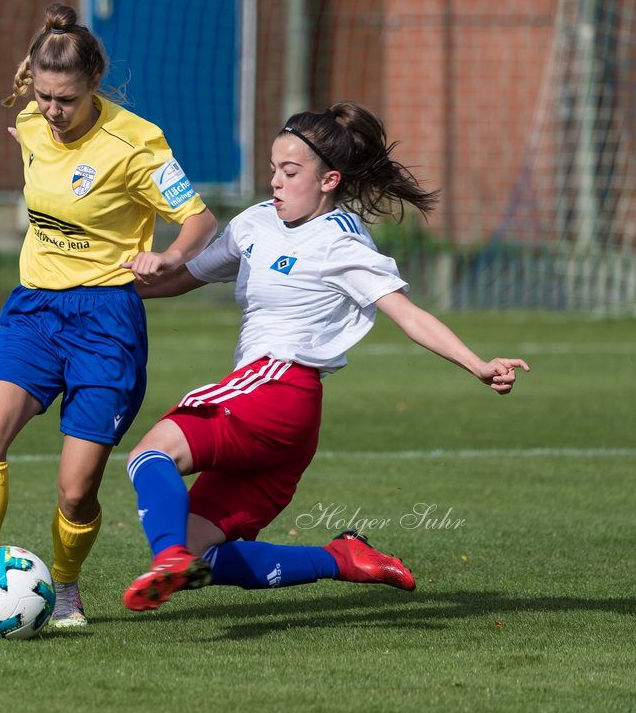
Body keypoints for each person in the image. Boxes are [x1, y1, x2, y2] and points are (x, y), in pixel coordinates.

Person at [120, 101, 530, 612]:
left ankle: (166, 558)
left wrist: (478, 364)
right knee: (202, 549)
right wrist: (117, 292)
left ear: (329, 180)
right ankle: (341, 558)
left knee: (149, 454)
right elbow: (189, 274)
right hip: (290, 422)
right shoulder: (255, 224)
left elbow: (407, 314)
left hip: (272, 386)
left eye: (291, 173)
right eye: (273, 169)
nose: (276, 182)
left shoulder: (341, 243)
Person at [0, 2, 217, 627]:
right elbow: (32, 136)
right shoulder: (30, 121)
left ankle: (67, 589)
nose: (53, 111)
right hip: (34, 309)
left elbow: (201, 219)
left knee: (76, 489)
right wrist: (34, 114)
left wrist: (170, 256)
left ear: (94, 84)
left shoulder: (137, 143)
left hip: (106, 321)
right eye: (45, 97)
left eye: (66, 100)